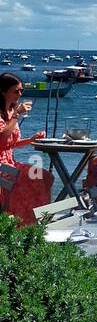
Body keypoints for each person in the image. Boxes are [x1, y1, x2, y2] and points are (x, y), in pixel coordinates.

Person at [0, 73, 52, 224]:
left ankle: (32, 221)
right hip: (2, 165)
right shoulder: (10, 113)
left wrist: (31, 140)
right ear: (3, 91)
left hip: (10, 162)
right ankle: (24, 222)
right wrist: (16, 114)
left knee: (46, 177)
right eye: (16, 91)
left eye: (21, 90)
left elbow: (10, 144)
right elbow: (2, 139)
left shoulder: (10, 110)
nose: (20, 94)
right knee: (33, 179)